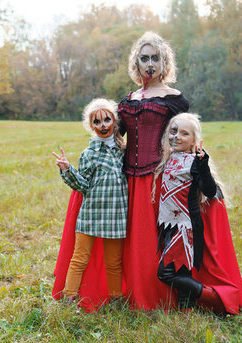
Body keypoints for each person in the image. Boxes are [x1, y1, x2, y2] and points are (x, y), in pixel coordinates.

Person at [53, 31, 189, 311]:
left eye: (155, 58)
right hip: (126, 181)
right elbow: (112, 135)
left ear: (164, 62)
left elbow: (183, 135)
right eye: (144, 58)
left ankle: (155, 295)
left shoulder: (175, 99)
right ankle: (119, 294)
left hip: (158, 178)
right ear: (136, 64)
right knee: (128, 243)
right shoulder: (127, 101)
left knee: (151, 241)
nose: (150, 64)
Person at [51, 98, 127, 305]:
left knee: (114, 262)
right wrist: (68, 169)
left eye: (106, 120)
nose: (103, 125)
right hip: (91, 214)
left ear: (114, 121)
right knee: (79, 259)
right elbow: (83, 185)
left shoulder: (123, 151)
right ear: (91, 126)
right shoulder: (90, 153)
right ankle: (69, 297)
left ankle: (116, 299)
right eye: (97, 122)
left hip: (116, 215)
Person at [154, 113, 225, 312]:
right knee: (180, 271)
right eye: (174, 131)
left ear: (195, 140)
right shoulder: (169, 157)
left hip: (184, 228)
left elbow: (210, 191)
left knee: (165, 273)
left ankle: (207, 295)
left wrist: (202, 165)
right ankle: (187, 308)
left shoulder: (194, 161)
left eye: (184, 134)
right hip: (167, 224)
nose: (176, 136)